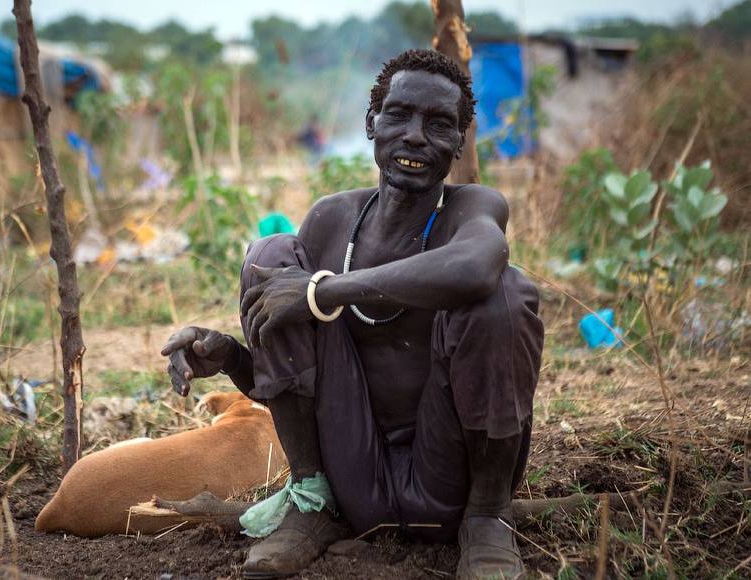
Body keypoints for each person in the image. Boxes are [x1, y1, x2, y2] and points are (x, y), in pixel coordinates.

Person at [161, 49, 544, 580]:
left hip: (453, 480)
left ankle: (488, 519)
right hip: (353, 478)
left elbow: (478, 268)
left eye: (438, 124)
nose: (414, 136)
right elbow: (305, 384)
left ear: (460, 141)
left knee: (506, 291)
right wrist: (228, 355)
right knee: (271, 257)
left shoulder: (472, 209)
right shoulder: (330, 221)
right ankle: (311, 501)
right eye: (398, 115)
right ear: (371, 123)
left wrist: (326, 291)